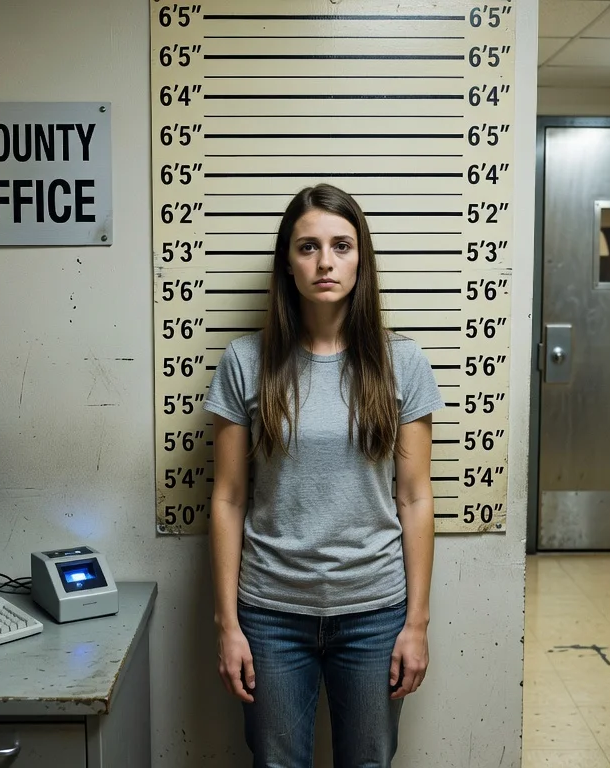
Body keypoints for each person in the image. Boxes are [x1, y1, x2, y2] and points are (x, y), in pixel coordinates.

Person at [204, 183, 444, 767]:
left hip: (374, 613)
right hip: (269, 612)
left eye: (341, 245)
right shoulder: (245, 362)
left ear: (361, 257)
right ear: (288, 262)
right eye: (308, 247)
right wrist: (228, 624)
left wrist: (416, 623)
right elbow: (229, 499)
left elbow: (415, 499)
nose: (326, 262)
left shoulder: (402, 363)